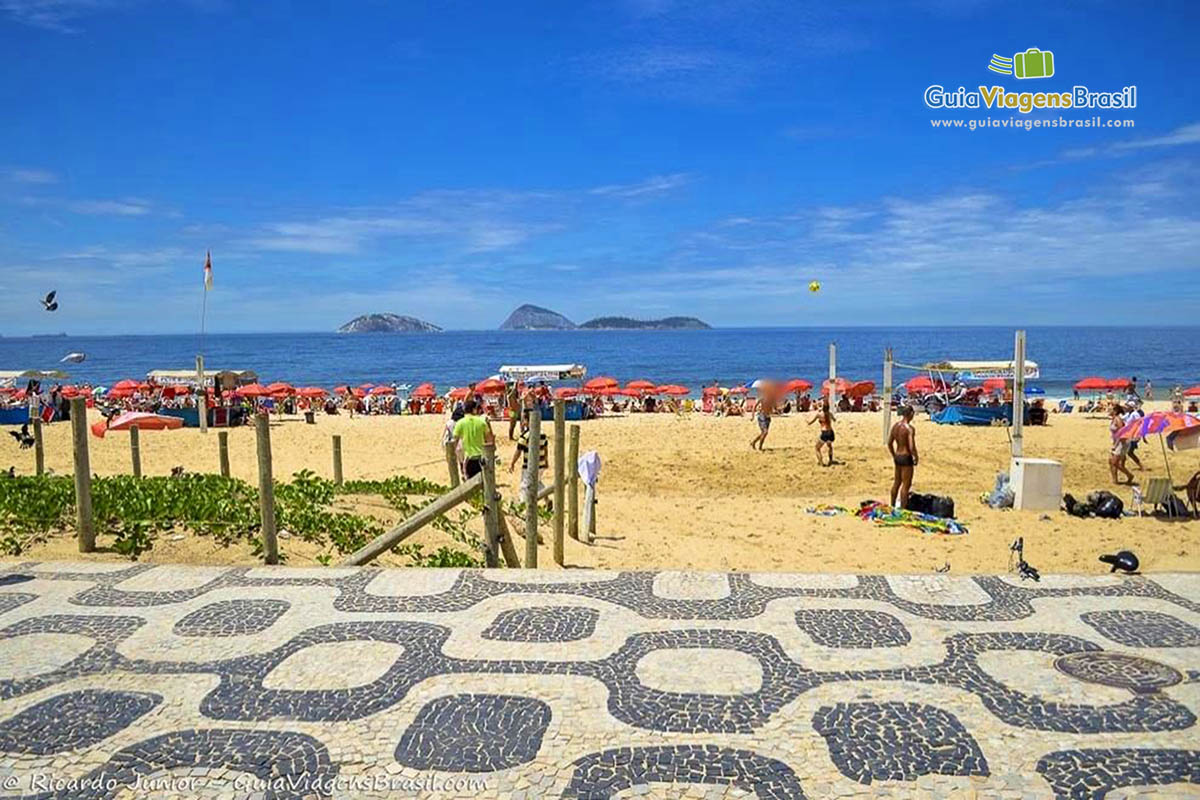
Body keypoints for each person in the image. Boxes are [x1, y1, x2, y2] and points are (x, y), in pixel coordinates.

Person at [451, 399, 493, 479]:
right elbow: (489, 439)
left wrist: (457, 455)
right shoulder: (481, 422)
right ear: (474, 409)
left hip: (468, 458)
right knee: (483, 480)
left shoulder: (460, 423)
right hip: (481, 456)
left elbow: (455, 440)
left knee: (470, 482)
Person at [509, 411, 548, 497]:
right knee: (537, 482)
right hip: (541, 463)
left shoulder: (525, 435)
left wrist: (512, 463)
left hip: (529, 465)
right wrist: (546, 461)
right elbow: (545, 449)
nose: (523, 422)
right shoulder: (542, 434)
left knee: (524, 485)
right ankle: (546, 498)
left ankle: (523, 504)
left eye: (524, 420)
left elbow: (518, 450)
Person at [888, 405, 918, 507]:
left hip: (897, 456)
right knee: (906, 485)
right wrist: (915, 456)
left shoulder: (895, 426)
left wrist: (893, 455)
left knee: (896, 483)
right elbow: (911, 446)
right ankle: (903, 508)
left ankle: (892, 505)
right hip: (906, 457)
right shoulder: (909, 429)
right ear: (910, 414)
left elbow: (889, 443)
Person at [1108, 405, 1134, 485]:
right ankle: (1115, 480)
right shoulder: (1114, 419)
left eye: (1111, 409)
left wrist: (1116, 445)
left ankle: (1130, 475)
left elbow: (1122, 432)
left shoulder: (1118, 419)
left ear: (1115, 411)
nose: (1109, 410)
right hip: (1117, 442)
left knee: (1114, 462)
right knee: (1111, 461)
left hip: (1122, 442)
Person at [808, 398, 836, 466]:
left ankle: (821, 463)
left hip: (824, 433)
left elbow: (810, 422)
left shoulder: (819, 414)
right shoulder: (830, 414)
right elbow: (834, 420)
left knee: (817, 448)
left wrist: (807, 421)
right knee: (830, 446)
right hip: (831, 433)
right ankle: (831, 460)